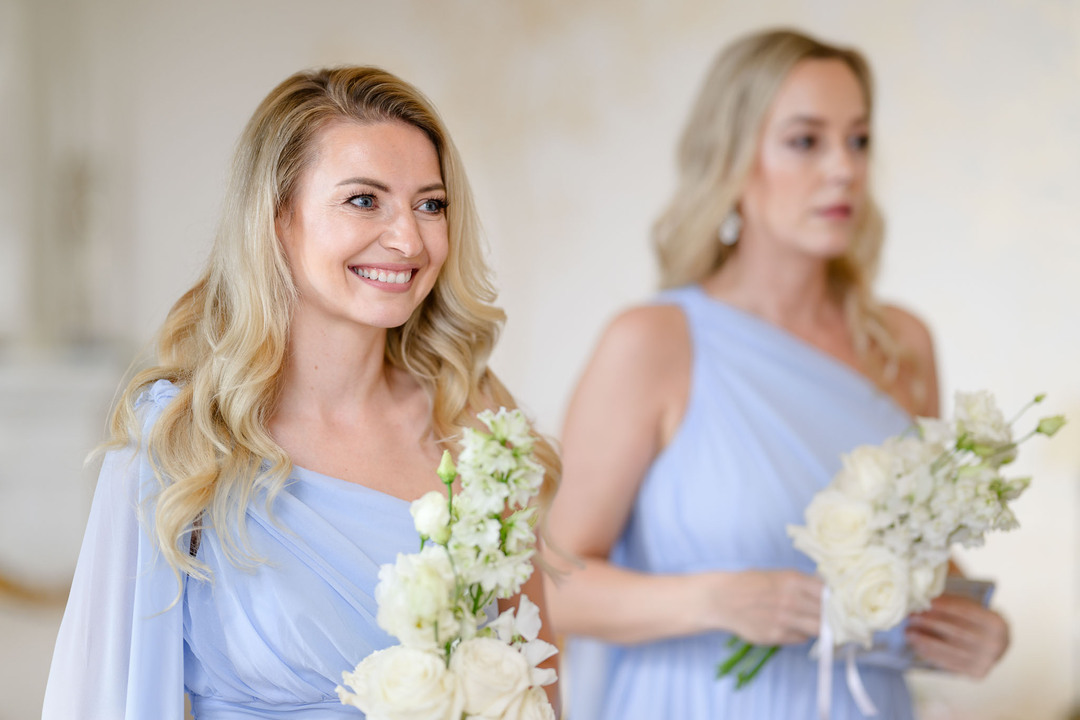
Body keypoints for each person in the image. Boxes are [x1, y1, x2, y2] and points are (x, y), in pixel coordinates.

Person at [42, 66, 560, 719]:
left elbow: (533, 683)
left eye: (430, 204)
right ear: (278, 217)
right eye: (364, 200)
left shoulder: (474, 415)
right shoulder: (181, 434)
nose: (408, 238)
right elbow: (106, 699)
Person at [544, 28, 1009, 719]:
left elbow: (916, 561)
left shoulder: (901, 345)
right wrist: (709, 599)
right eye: (805, 141)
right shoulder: (654, 343)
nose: (843, 169)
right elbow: (550, 583)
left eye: (858, 140)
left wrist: (980, 631)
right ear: (732, 158)